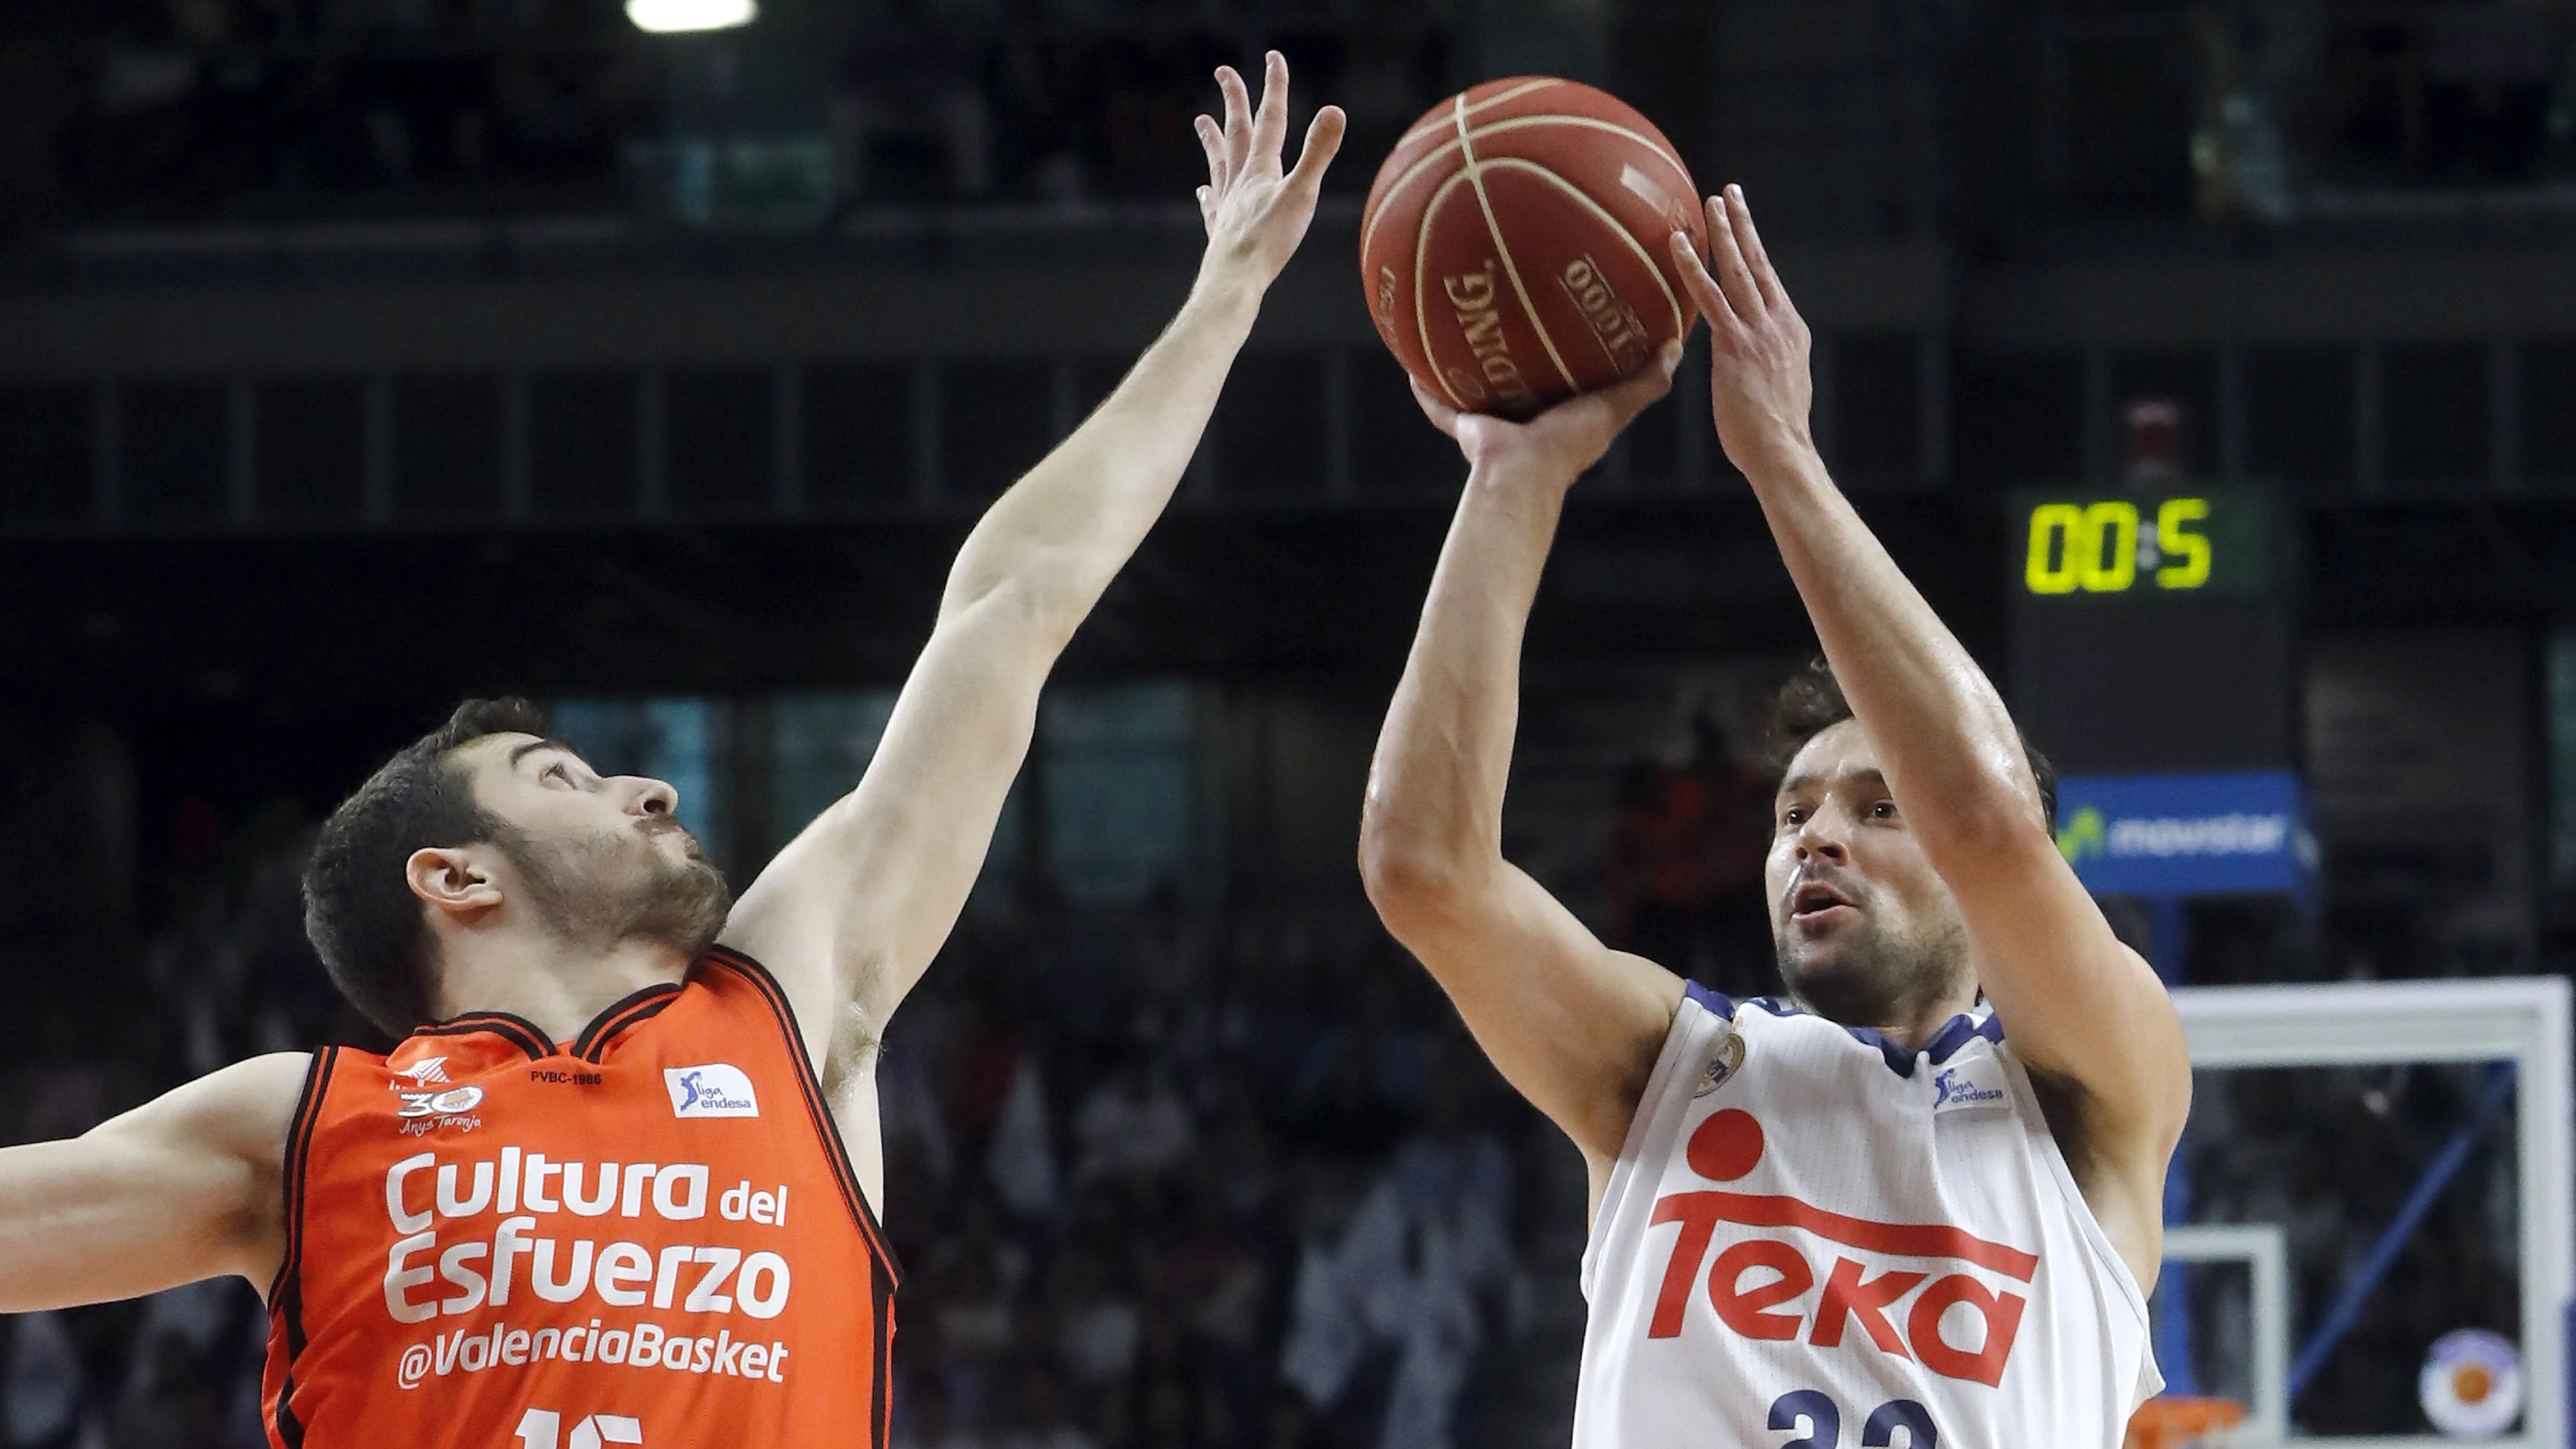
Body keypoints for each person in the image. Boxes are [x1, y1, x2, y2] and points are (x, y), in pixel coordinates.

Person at [0, 54, 1344, 1449]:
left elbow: (1012, 605)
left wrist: (1225, 300)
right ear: (455, 877)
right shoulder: (302, 1127)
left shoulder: (791, 996)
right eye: (562, 779)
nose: (651, 786)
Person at [1356, 185, 2191, 1446]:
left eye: (1873, 805)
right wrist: (1514, 478)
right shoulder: (1667, 1068)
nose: (1816, 834)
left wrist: (1781, 457)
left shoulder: (2092, 1082)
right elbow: (1424, 869)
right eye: (1794, 810)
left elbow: (1986, 811)